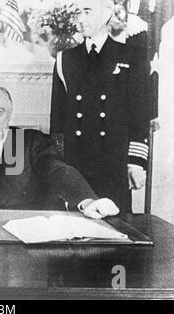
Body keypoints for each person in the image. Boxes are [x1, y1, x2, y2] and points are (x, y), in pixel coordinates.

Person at [0, 85, 120, 220]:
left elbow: (58, 169)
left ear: (10, 114)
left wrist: (86, 200)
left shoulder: (31, 140)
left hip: (25, 233)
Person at [50, 0, 150, 213]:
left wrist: (136, 162)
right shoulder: (64, 59)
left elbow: (140, 114)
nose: (81, 18)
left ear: (107, 13)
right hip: (75, 164)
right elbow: (57, 120)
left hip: (113, 162)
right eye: (78, 12)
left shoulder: (131, 56)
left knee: (114, 231)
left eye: (87, 11)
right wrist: (57, 165)